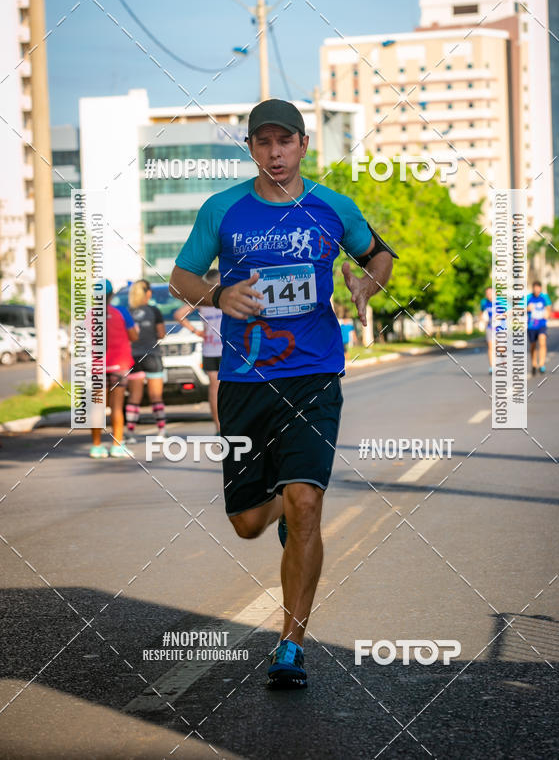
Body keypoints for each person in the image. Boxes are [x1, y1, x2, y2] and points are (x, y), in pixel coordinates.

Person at [169, 98, 396, 689]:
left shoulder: (332, 206)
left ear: (302, 145)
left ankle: (290, 646)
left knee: (306, 501)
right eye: (263, 143)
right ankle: (276, 507)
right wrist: (218, 296)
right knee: (246, 522)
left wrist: (364, 281)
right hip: (246, 379)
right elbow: (181, 276)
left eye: (285, 142)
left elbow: (380, 255)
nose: (275, 153)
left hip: (314, 374)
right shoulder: (222, 210)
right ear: (251, 149)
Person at [90, 279, 138, 459]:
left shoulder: (89, 315)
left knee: (97, 407)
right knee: (117, 407)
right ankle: (117, 446)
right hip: (119, 366)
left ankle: (96, 446)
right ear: (112, 295)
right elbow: (133, 336)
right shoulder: (122, 312)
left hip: (97, 367)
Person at [175, 268, 223, 432]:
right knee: (231, 389)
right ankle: (229, 427)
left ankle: (218, 428)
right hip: (225, 349)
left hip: (210, 349)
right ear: (218, 281)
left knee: (214, 389)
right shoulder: (224, 296)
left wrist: (197, 332)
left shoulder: (202, 299)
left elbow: (179, 314)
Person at [125, 279, 167, 442]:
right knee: (156, 396)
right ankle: (161, 431)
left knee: (134, 397)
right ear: (148, 293)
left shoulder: (127, 312)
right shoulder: (154, 311)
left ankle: (130, 433)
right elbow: (161, 334)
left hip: (134, 357)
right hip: (152, 355)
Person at [527, 281, 551, 375]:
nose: (536, 290)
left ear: (540, 289)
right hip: (531, 325)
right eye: (535, 288)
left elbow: (549, 308)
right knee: (533, 345)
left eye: (538, 288)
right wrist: (527, 309)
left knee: (542, 341)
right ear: (533, 289)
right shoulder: (528, 298)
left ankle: (541, 364)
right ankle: (534, 364)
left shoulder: (544, 297)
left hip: (541, 324)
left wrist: (547, 313)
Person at [480, 286, 495, 373]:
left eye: (491, 293)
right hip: (490, 327)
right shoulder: (484, 303)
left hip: (500, 327)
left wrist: (501, 316)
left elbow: (509, 311)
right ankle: (492, 366)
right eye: (488, 293)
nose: (489, 295)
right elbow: (481, 313)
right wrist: (482, 320)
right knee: (490, 346)